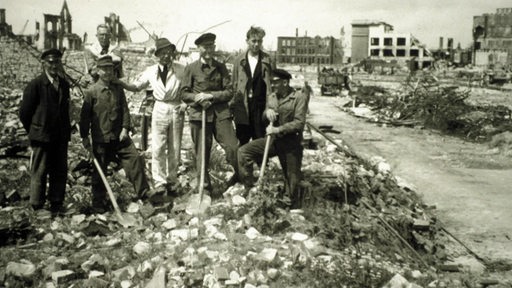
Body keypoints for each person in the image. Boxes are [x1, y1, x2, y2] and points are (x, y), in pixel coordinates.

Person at [80, 55, 152, 213]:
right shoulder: (92, 92)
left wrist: (125, 129)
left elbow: (125, 110)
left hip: (120, 136)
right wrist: (85, 137)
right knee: (99, 171)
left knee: (134, 159)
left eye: (110, 69)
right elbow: (84, 118)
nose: (107, 72)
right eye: (104, 69)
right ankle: (98, 203)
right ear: (98, 71)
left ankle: (144, 194)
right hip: (101, 138)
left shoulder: (118, 89)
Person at [118, 38, 186, 195]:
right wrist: (120, 83)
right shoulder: (151, 71)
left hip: (176, 107)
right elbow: (136, 86)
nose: (166, 56)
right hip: (160, 107)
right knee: (158, 146)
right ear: (158, 55)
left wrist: (185, 104)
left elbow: (189, 88)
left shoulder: (181, 70)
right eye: (163, 53)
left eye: (169, 53)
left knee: (175, 146)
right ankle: (160, 181)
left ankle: (172, 180)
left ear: (173, 54)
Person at [238, 69, 309, 208]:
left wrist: (278, 129)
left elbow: (299, 123)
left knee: (292, 181)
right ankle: (250, 187)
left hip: (291, 143)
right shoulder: (272, 97)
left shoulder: (299, 98)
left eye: (276, 82)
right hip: (273, 141)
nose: (273, 85)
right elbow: (265, 116)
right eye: (272, 82)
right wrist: (267, 112)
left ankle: (290, 203)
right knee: (243, 152)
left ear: (285, 82)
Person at [180, 33, 239, 193]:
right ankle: (205, 188)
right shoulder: (191, 68)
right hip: (200, 116)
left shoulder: (221, 67)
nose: (208, 50)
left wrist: (211, 95)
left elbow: (229, 92)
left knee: (233, 147)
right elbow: (184, 93)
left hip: (220, 114)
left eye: (211, 46)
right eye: (205, 47)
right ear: (199, 48)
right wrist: (197, 98)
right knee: (202, 153)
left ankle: (239, 178)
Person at [19, 48, 71, 216]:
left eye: (57, 62)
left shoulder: (63, 84)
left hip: (60, 136)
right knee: (40, 170)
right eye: (50, 62)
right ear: (43, 63)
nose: (54, 65)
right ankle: (37, 205)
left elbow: (64, 110)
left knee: (59, 170)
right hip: (42, 136)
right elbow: (25, 113)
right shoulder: (35, 84)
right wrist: (35, 130)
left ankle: (56, 203)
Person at [231, 26, 273, 146]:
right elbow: (233, 85)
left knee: (260, 140)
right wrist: (232, 108)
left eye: (259, 41)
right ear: (247, 41)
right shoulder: (239, 60)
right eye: (253, 41)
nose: (256, 44)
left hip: (260, 106)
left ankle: (261, 165)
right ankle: (243, 165)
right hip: (243, 106)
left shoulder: (268, 59)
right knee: (242, 140)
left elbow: (272, 86)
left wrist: (271, 106)